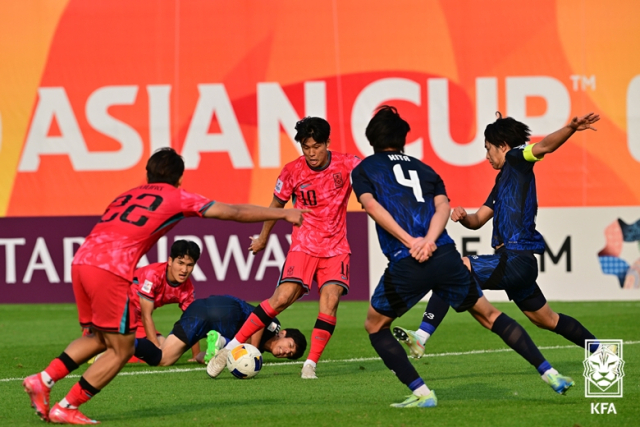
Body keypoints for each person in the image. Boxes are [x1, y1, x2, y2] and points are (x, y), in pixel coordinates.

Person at [22, 147, 308, 424]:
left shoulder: (127, 195)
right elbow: (231, 211)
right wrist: (282, 214)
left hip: (82, 261)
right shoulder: (175, 197)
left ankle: (43, 380)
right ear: (180, 179)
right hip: (111, 269)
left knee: (99, 338)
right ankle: (67, 406)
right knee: (121, 351)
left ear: (148, 175)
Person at [351, 106, 575, 408]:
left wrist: (413, 242)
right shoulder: (426, 170)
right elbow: (443, 207)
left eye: (488, 148)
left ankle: (423, 393)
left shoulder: (365, 169)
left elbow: (373, 207)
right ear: (404, 138)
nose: (486, 154)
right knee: (492, 315)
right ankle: (550, 373)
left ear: (371, 138)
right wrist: (430, 240)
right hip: (443, 253)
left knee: (375, 326)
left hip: (409, 260)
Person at [393, 112, 603, 360]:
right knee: (547, 319)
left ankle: (422, 336)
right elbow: (479, 220)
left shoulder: (516, 158)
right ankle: (604, 353)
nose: (486, 156)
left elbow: (545, 146)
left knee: (453, 269)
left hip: (517, 258)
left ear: (503, 146)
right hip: (514, 262)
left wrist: (570, 127)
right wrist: (463, 216)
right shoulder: (502, 180)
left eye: (488, 148)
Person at [206, 116, 361, 380]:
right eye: (306, 146)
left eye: (316, 146)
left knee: (330, 301)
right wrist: (264, 237)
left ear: (327, 143)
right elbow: (274, 206)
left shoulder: (348, 164)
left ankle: (310, 364)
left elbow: (377, 176)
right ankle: (230, 349)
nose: (311, 153)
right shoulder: (292, 171)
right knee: (281, 298)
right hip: (304, 245)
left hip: (336, 247)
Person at [133, 294, 307, 367]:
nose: (286, 352)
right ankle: (221, 342)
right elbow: (258, 318)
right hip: (225, 311)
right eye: (289, 345)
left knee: (163, 359)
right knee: (240, 344)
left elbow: (206, 357)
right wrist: (253, 353)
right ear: (283, 334)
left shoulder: (260, 347)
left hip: (199, 311)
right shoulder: (274, 325)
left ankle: (128, 342)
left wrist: (206, 357)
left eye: (290, 354)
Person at [130, 239, 201, 362]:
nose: (184, 270)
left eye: (189, 265)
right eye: (180, 263)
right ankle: (103, 347)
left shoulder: (187, 289)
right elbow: (146, 314)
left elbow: (192, 321)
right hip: (118, 311)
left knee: (164, 348)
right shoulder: (152, 275)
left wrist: (196, 355)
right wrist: (154, 349)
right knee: (151, 353)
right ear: (170, 261)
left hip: (138, 319)